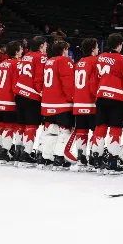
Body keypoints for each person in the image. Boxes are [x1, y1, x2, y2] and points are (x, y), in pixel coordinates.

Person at [92, 33, 123, 173]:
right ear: (119, 45)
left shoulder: (100, 57)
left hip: (101, 97)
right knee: (115, 131)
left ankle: (96, 159)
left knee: (100, 128)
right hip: (117, 98)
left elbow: (94, 80)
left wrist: (97, 94)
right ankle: (112, 161)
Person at [40, 40, 74, 169]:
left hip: (48, 103)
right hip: (61, 104)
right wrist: (72, 98)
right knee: (64, 131)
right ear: (64, 50)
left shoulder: (49, 61)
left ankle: (46, 158)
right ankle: (59, 158)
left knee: (52, 130)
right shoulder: (65, 61)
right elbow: (68, 83)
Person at [14, 36, 46, 165]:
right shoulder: (41, 57)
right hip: (31, 94)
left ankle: (18, 153)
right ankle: (26, 154)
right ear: (41, 46)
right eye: (45, 45)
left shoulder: (26, 56)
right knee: (31, 125)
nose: (46, 48)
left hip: (19, 92)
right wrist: (41, 91)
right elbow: (38, 77)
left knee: (21, 125)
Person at [0, 41, 20, 163]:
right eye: (20, 49)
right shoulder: (16, 64)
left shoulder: (2, 63)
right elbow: (15, 84)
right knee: (9, 127)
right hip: (8, 99)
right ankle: (4, 153)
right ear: (17, 52)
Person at [72, 38, 99, 171]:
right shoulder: (95, 61)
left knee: (81, 132)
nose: (98, 49)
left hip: (78, 102)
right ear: (93, 49)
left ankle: (81, 158)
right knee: (96, 131)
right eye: (97, 47)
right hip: (91, 102)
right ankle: (94, 158)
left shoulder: (79, 62)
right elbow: (94, 83)